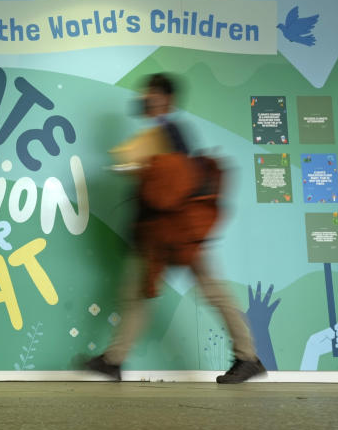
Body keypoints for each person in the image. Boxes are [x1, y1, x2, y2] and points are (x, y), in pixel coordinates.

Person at [83, 73, 266, 384]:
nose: (145, 100)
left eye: (151, 95)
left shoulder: (172, 132)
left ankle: (248, 356)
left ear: (165, 99)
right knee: (139, 293)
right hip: (164, 234)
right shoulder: (159, 133)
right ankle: (113, 359)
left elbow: (174, 183)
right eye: (146, 95)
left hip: (175, 233)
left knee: (209, 291)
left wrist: (143, 170)